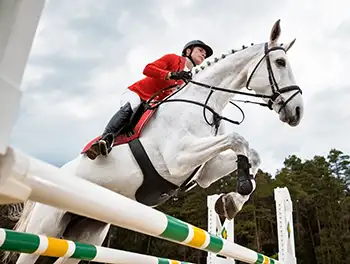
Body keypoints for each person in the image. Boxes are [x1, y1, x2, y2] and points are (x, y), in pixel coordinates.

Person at [85, 40, 213, 160]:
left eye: (205, 54)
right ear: (188, 51)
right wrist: (171, 74)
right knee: (133, 106)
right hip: (137, 93)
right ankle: (104, 140)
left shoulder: (189, 78)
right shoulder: (172, 58)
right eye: (201, 50)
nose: (203, 54)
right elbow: (147, 69)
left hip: (153, 103)